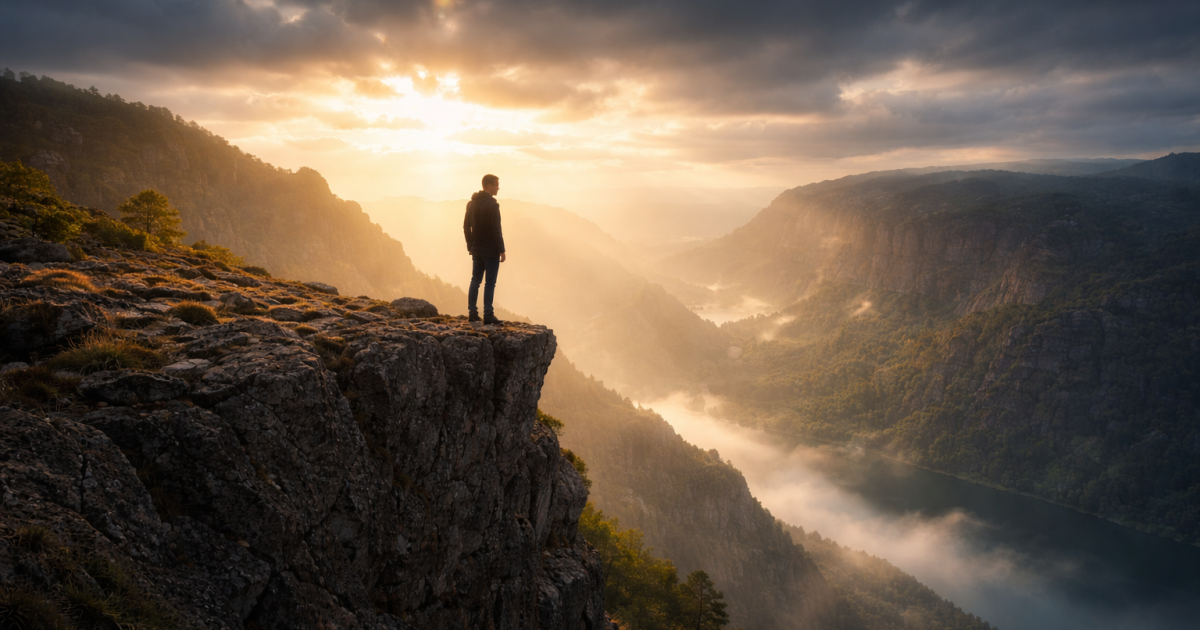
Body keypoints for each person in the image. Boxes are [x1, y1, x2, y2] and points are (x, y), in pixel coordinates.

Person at [463, 173, 506, 324]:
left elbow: (466, 227)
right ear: (488, 186)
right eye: (496, 185)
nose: (498, 188)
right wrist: (501, 250)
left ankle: (472, 313)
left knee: (475, 280)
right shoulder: (493, 205)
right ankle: (488, 314)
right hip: (491, 251)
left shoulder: (471, 204)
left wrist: (471, 245)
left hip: (477, 250)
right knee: (490, 283)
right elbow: (496, 229)